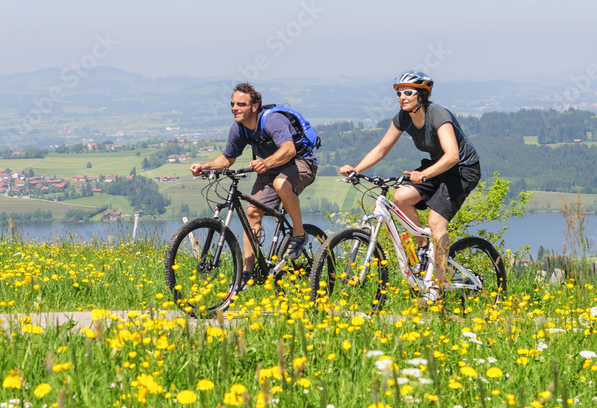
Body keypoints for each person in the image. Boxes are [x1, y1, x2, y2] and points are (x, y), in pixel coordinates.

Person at [339, 70, 480, 303]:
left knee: (436, 222)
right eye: (398, 93)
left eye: (408, 92)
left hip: (462, 170)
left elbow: (453, 155)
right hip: (437, 166)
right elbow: (382, 148)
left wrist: (423, 174)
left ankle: (439, 285)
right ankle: (422, 251)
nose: (401, 97)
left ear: (422, 95)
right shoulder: (404, 117)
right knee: (402, 197)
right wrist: (357, 169)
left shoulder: (438, 114)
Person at [190, 83, 318, 289]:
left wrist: (265, 163)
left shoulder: (272, 121)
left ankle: (299, 234)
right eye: (232, 104)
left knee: (280, 183)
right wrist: (205, 166)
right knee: (252, 213)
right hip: (270, 167)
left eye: (241, 104)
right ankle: (247, 273)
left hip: (302, 163)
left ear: (255, 106)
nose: (235, 108)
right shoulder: (239, 127)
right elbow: (227, 159)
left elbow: (289, 149)